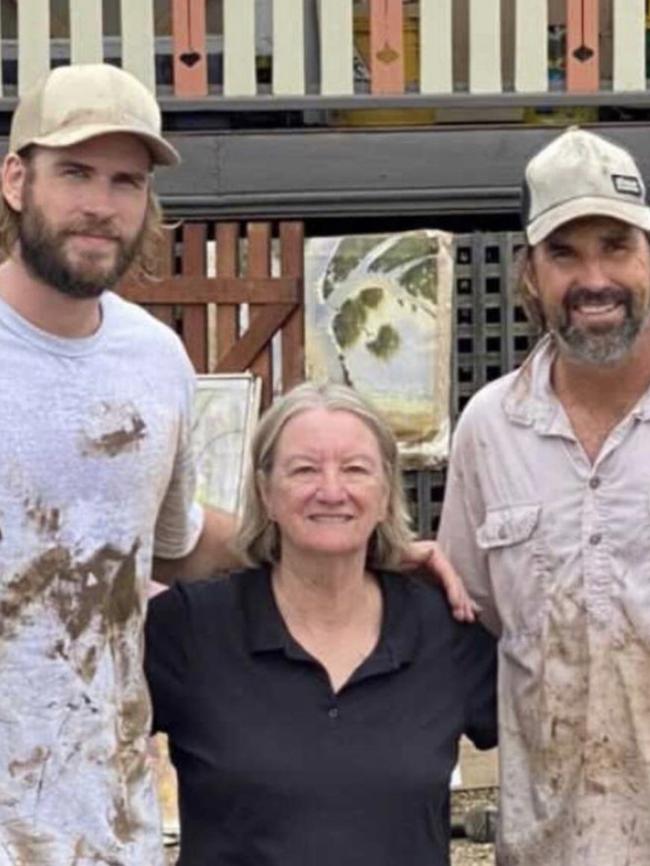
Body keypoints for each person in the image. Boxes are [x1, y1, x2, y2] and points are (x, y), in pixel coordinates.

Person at [0, 63, 470, 865]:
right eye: (74, 172)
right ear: (16, 178)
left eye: (127, 181)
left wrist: (368, 550)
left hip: (105, 823)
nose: (100, 205)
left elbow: (177, 544)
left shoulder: (152, 360)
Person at [145, 382, 497, 866]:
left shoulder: (444, 632)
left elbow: (552, 733)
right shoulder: (190, 629)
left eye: (355, 469)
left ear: (385, 490)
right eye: (304, 469)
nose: (331, 491)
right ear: (265, 491)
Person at [438, 126, 650, 866]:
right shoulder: (489, 431)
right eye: (564, 253)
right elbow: (468, 618)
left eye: (616, 246)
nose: (595, 277)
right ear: (529, 274)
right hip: (547, 845)